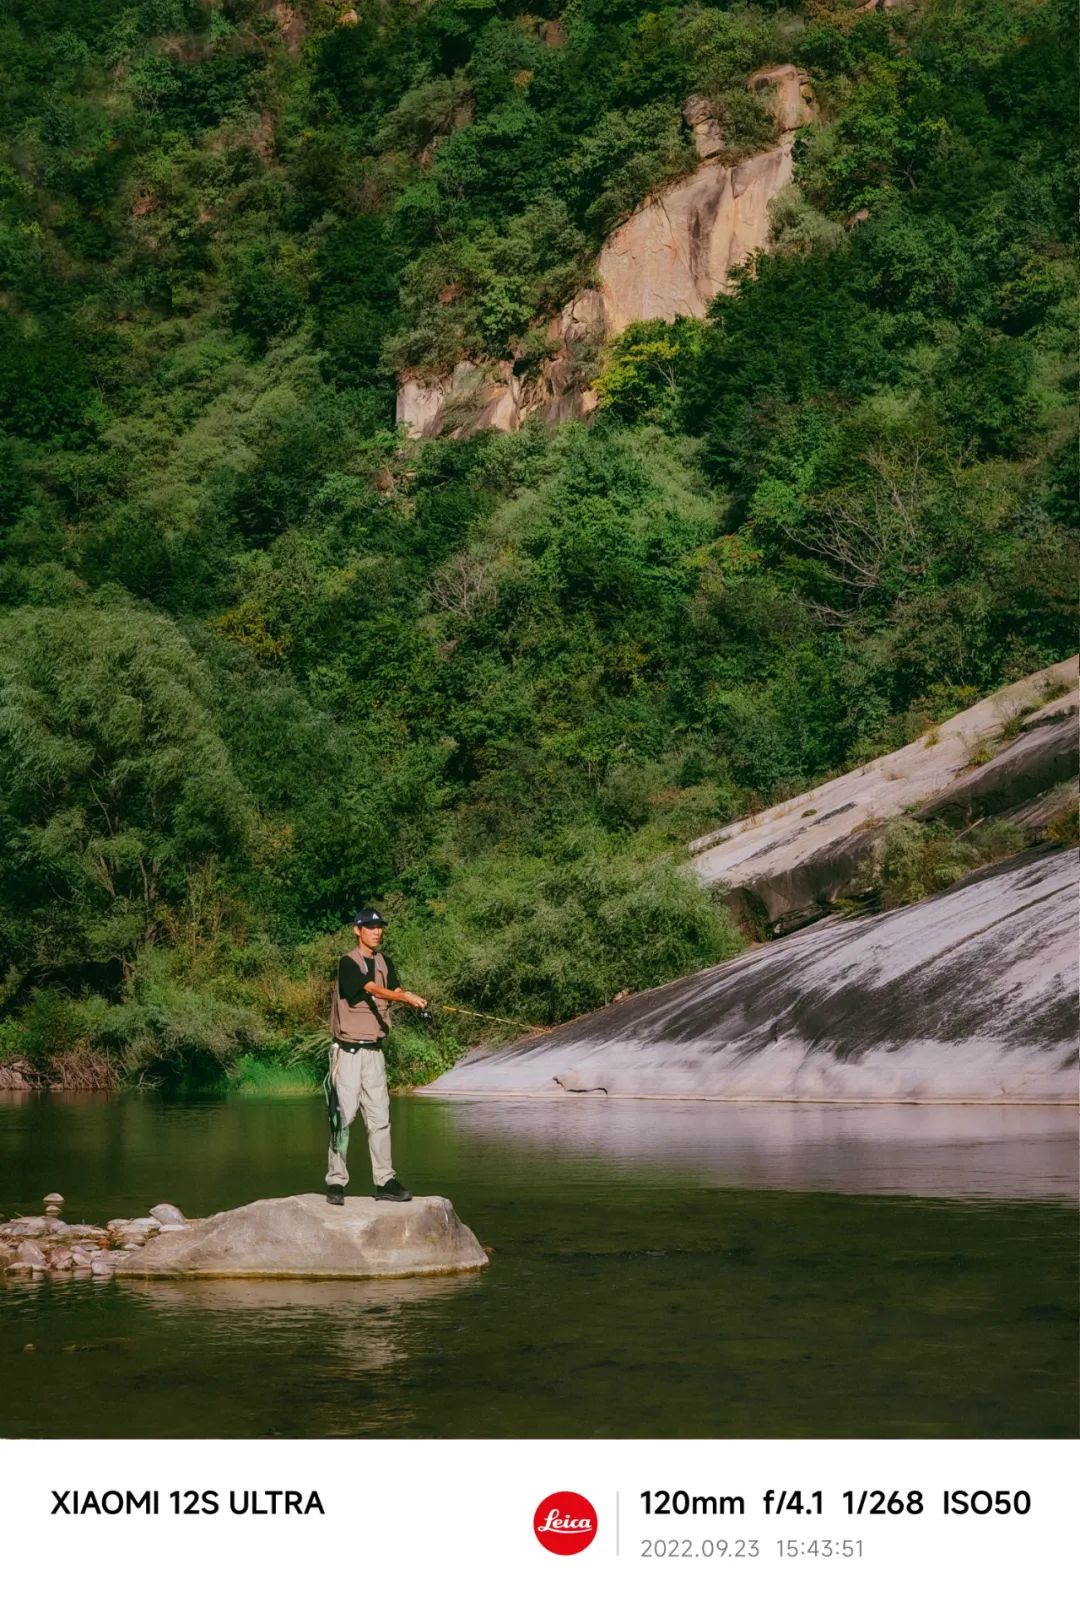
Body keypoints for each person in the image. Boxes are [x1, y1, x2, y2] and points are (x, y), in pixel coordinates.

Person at [324, 907, 428, 1206]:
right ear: (357, 930)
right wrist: (402, 997)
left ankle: (384, 1181)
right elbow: (371, 989)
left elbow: (394, 988)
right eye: (370, 927)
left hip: (374, 1054)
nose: (377, 931)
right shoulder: (348, 963)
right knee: (342, 1118)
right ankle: (336, 1182)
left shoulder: (385, 961)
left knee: (380, 1120)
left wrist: (414, 1001)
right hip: (348, 1053)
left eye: (379, 926)